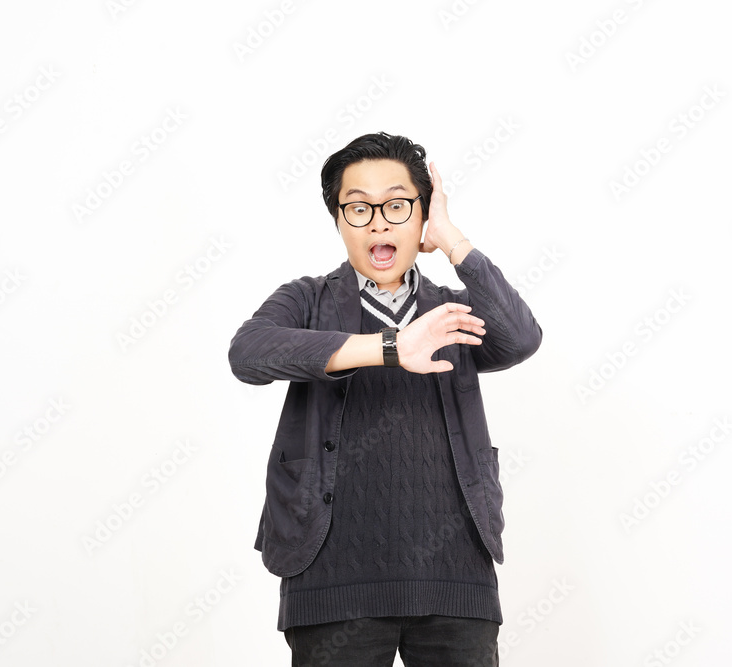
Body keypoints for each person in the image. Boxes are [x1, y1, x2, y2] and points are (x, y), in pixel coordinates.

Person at [229, 131, 542, 666]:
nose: (378, 221)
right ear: (338, 220)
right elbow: (249, 354)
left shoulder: (452, 312)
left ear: (420, 216)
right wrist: (392, 346)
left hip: (454, 575)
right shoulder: (306, 300)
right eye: (358, 207)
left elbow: (520, 338)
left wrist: (451, 239)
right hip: (330, 578)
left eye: (398, 205)